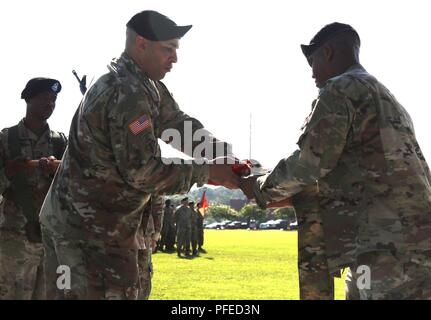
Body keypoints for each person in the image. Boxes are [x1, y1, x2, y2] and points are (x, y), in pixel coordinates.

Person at [39, 10, 239, 300]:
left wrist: (223, 156)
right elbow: (144, 171)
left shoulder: (145, 84)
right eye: (167, 49)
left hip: (89, 227)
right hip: (86, 235)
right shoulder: (126, 91)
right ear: (141, 44)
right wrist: (206, 172)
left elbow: (177, 125)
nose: (175, 58)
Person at [240, 22, 431, 300]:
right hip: (399, 243)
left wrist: (258, 186)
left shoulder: (341, 89)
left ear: (328, 52)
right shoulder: (384, 96)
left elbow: (309, 164)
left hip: (384, 249)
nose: (313, 74)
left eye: (313, 62)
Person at [0, 78, 67, 299]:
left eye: (54, 100)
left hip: (51, 239)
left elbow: (76, 187)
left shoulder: (61, 143)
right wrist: (9, 172)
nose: (50, 104)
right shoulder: (6, 139)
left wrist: (59, 170)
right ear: (27, 99)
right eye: (44, 99)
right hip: (15, 240)